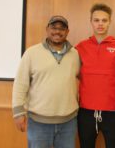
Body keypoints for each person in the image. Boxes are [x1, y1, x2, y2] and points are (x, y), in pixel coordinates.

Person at [12, 15, 80, 148]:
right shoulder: (31, 53)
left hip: (68, 123)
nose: (57, 31)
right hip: (38, 123)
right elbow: (20, 84)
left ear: (67, 32)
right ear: (47, 29)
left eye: (62, 28)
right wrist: (18, 113)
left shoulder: (75, 54)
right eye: (54, 27)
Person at [75, 3, 115, 148]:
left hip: (113, 111)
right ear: (91, 21)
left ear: (110, 21)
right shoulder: (80, 47)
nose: (100, 24)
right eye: (96, 20)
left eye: (104, 20)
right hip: (86, 110)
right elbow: (74, 73)